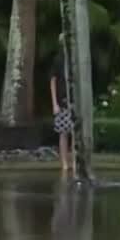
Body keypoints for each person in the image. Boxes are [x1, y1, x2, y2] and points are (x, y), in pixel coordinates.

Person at [50, 38, 75, 173]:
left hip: (74, 101)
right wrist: (54, 103)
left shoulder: (76, 60)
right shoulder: (58, 59)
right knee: (63, 133)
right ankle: (64, 163)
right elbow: (53, 80)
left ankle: (75, 161)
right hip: (62, 100)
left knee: (75, 133)